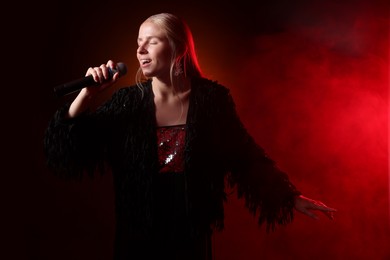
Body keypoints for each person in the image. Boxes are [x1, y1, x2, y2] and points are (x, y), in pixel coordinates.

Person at [44, 12, 337, 260]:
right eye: (138, 43)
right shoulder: (127, 103)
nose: (140, 50)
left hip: (190, 239)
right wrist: (87, 94)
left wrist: (289, 198)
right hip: (138, 239)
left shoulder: (213, 101)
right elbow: (69, 152)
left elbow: (246, 158)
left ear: (177, 47)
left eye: (151, 42)